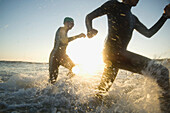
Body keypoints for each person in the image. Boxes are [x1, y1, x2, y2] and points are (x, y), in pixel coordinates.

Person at [85, 0, 170, 112]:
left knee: (102, 91)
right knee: (161, 71)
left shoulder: (133, 18)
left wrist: (164, 16)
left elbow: (149, 33)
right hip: (113, 53)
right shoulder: (114, 5)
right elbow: (89, 16)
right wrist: (89, 29)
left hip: (116, 56)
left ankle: (85, 108)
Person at [49, 17, 86, 84]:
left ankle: (63, 84)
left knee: (74, 69)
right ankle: (44, 93)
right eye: (70, 23)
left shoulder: (65, 32)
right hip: (55, 56)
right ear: (65, 23)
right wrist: (78, 36)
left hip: (63, 55)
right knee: (52, 80)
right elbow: (64, 40)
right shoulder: (61, 29)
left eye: (73, 24)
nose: (72, 25)